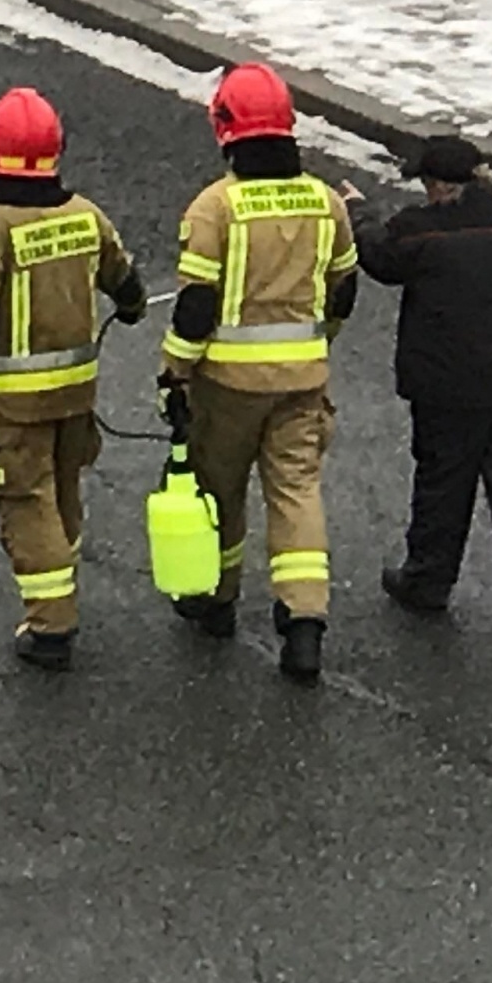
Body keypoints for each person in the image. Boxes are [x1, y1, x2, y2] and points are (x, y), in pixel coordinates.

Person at [0, 87, 148, 671]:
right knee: (63, 496)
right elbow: (127, 284)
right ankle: (62, 594)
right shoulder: (86, 215)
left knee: (26, 503)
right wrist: (132, 307)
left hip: (18, 407)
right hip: (76, 394)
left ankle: (50, 627)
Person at [156, 63, 359, 683]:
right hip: (303, 381)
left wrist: (175, 373)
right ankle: (304, 623)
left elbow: (196, 307)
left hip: (228, 386)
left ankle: (216, 601)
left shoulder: (215, 207)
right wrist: (319, 343)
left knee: (221, 492)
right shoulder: (326, 202)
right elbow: (344, 289)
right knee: (296, 492)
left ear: (225, 128)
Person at [341, 136, 492, 648]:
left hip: (444, 388)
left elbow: (379, 257)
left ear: (438, 185)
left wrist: (357, 210)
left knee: (442, 488)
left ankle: (427, 583)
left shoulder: (421, 230)